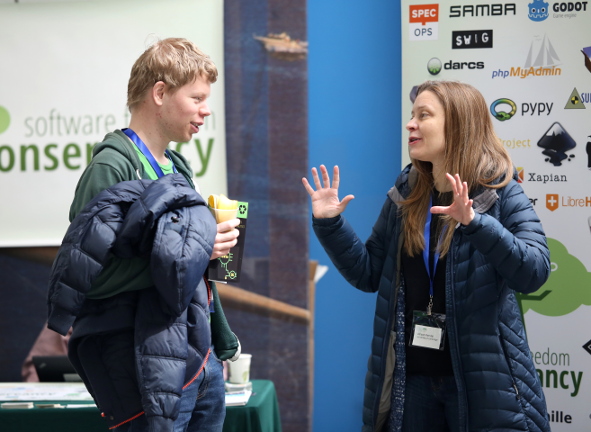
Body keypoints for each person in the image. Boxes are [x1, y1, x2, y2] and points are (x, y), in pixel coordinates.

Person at [302, 80, 551, 432]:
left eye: (424, 115)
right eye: (411, 114)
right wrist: (330, 224)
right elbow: (369, 273)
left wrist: (475, 223)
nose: (410, 124)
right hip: (412, 381)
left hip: (483, 387)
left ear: (458, 124)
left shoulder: (500, 190)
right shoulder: (407, 190)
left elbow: (534, 272)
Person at [47, 37, 240, 432]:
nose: (206, 111)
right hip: (139, 365)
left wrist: (212, 256)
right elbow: (88, 277)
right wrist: (194, 255)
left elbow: (182, 264)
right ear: (160, 93)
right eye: (198, 98)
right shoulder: (111, 166)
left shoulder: (178, 167)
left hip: (197, 357)